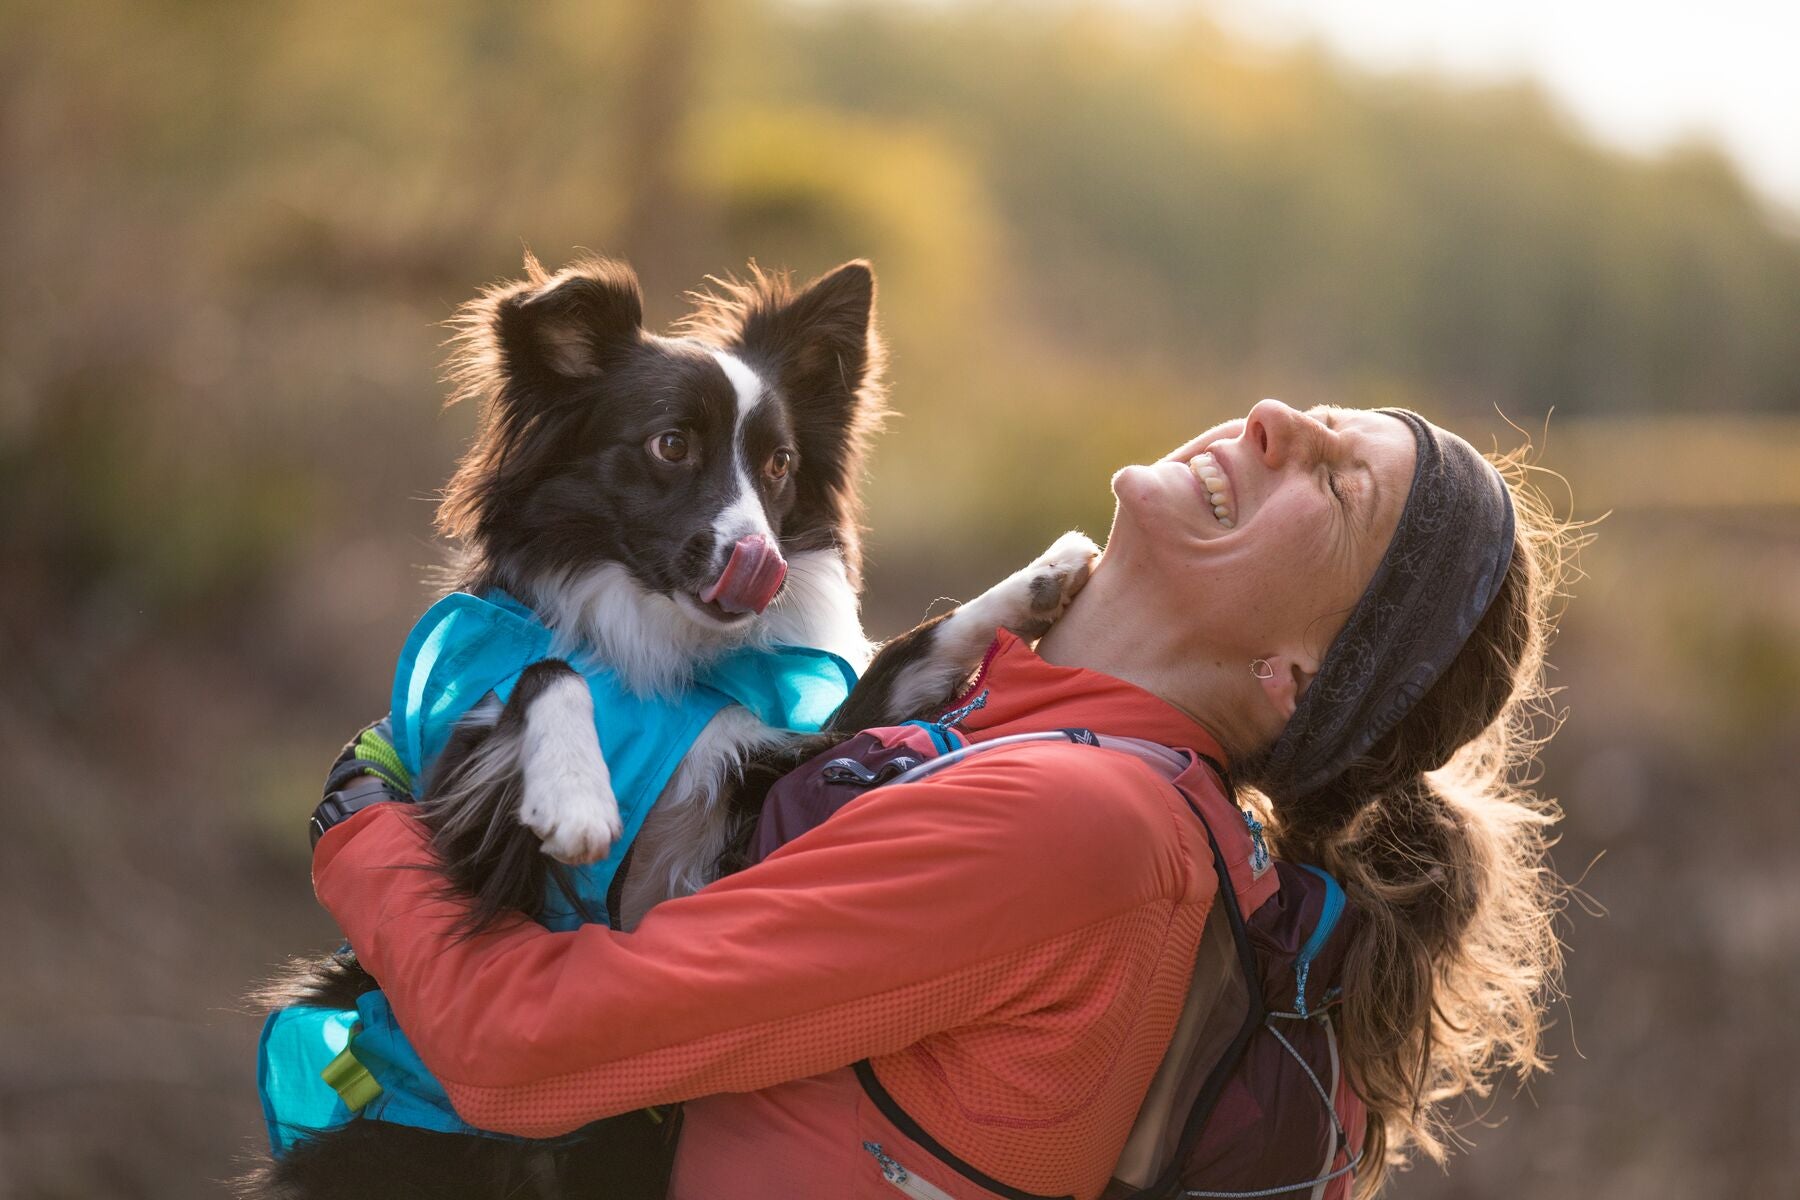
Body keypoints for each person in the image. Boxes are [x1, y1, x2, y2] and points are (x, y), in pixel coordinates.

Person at [308, 399, 1572, 1199]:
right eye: (1323, 414)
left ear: (1292, 681)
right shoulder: (1002, 737)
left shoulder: (1082, 830)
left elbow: (521, 1047)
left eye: (1338, 484)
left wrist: (366, 823)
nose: (1275, 419)